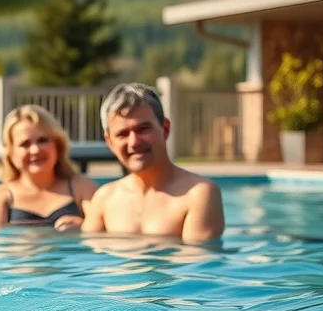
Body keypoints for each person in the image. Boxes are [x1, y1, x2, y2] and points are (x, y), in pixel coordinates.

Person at [81, 82, 225, 242]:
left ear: (165, 129)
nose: (134, 142)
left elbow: (198, 262)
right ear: (109, 142)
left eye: (143, 129)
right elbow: (88, 258)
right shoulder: (104, 198)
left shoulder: (198, 194)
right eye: (123, 134)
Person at [0, 105, 99, 232]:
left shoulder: (83, 189)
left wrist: (83, 227)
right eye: (25, 144)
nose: (35, 150)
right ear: (11, 153)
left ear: (57, 145)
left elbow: (104, 232)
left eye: (43, 140)